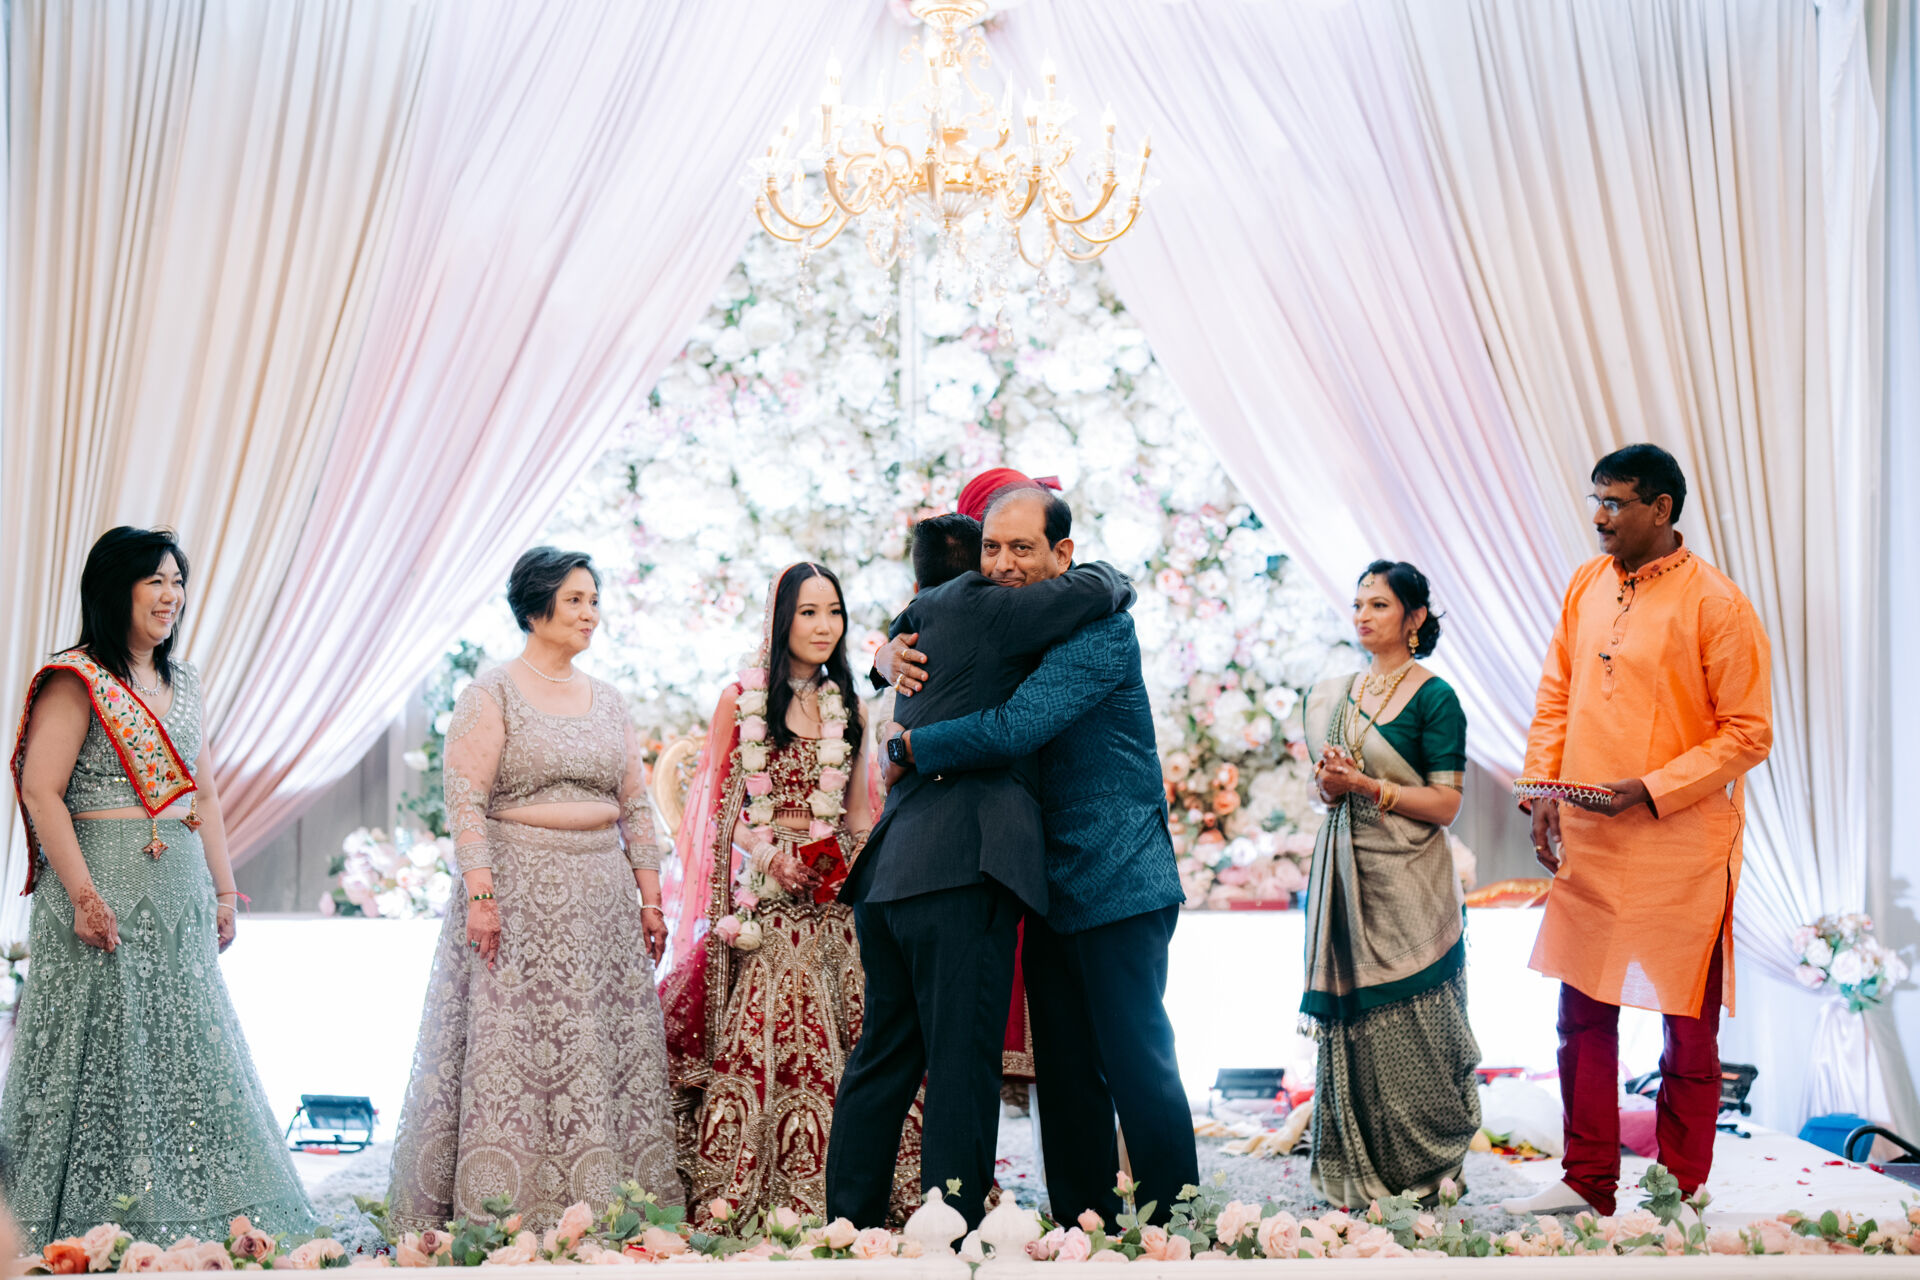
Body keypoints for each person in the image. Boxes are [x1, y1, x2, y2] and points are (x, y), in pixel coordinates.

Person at [878, 484, 1198, 1226]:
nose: (1003, 564)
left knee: (1138, 1063)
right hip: (1047, 886)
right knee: (1065, 1074)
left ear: (1063, 554)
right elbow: (938, 619)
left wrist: (909, 746)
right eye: (991, 548)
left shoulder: (1103, 630)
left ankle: (1178, 1231)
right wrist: (886, 649)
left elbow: (1019, 725)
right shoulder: (1009, 624)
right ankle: (1086, 1228)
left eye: (1022, 548)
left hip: (1120, 878)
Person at [3, 527, 315, 1246]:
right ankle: (91, 1218)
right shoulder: (76, 678)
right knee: (104, 1055)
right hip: (99, 891)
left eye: (178, 582)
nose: (171, 596)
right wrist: (83, 896)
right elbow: (42, 790)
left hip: (178, 890)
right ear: (117, 589)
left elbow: (203, 793)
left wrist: (226, 892)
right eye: (156, 581)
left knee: (183, 1054)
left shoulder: (188, 682)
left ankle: (195, 1209)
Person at [825, 501, 1133, 1230]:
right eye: (993, 550)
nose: (1004, 567)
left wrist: (881, 656)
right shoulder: (991, 607)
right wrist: (1118, 577)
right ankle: (951, 1233)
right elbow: (1095, 591)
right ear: (976, 565)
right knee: (962, 1063)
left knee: (883, 1058)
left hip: (890, 874)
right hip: (961, 872)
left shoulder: (918, 618)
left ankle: (848, 1227)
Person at [1502, 445, 1771, 1217]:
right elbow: (1556, 693)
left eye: (1615, 503)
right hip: (1592, 838)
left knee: (1687, 1025)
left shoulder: (1717, 604)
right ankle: (1587, 1180)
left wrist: (1651, 790)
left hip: (1680, 848)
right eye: (1596, 500)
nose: (1599, 517)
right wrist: (1542, 788)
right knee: (1582, 1013)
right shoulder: (1586, 583)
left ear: (1661, 509)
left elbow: (1748, 733)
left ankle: (1678, 1188)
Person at [388, 547, 680, 1232]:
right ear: (534, 606)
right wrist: (482, 898)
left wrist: (651, 899)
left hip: (601, 899)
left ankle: (607, 1201)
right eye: (575, 599)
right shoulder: (491, 693)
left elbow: (635, 806)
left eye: (594, 600)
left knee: (597, 1048)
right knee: (517, 1049)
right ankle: (508, 1207)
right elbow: (465, 800)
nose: (589, 613)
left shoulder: (609, 701)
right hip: (519, 896)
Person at [659, 563, 914, 1223]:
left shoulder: (849, 706)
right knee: (773, 981)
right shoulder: (739, 700)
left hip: (832, 905)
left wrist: (847, 871)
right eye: (809, 612)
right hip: (764, 905)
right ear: (781, 620)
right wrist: (772, 853)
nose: (825, 626)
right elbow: (719, 811)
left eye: (834, 612)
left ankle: (857, 1189)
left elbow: (857, 814)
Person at [1297, 561, 1479, 1208]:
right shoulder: (1335, 695)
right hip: (1349, 879)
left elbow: (1446, 805)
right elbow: (1326, 794)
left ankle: (1425, 1170)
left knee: (1419, 1021)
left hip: (1411, 884)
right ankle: (1355, 1172)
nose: (1363, 616)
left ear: (1415, 617)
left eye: (1378, 604)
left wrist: (1368, 786)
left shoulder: (1435, 698)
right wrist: (1331, 784)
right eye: (1358, 604)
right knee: (1354, 1022)